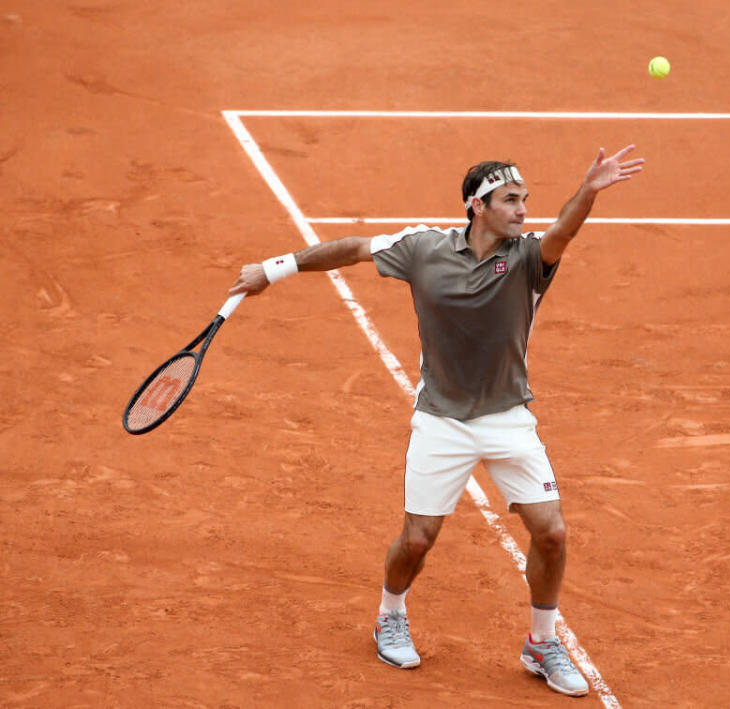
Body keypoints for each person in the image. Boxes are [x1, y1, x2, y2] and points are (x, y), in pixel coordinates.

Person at [229, 145, 644, 697]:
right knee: (418, 539)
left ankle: (541, 643)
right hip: (441, 421)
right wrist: (272, 269)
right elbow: (353, 248)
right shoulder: (422, 247)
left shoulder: (528, 259)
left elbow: (564, 229)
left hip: (508, 420)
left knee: (552, 533)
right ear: (477, 206)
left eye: (525, 200)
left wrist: (588, 190)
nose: (522, 210)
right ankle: (389, 615)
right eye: (510, 200)